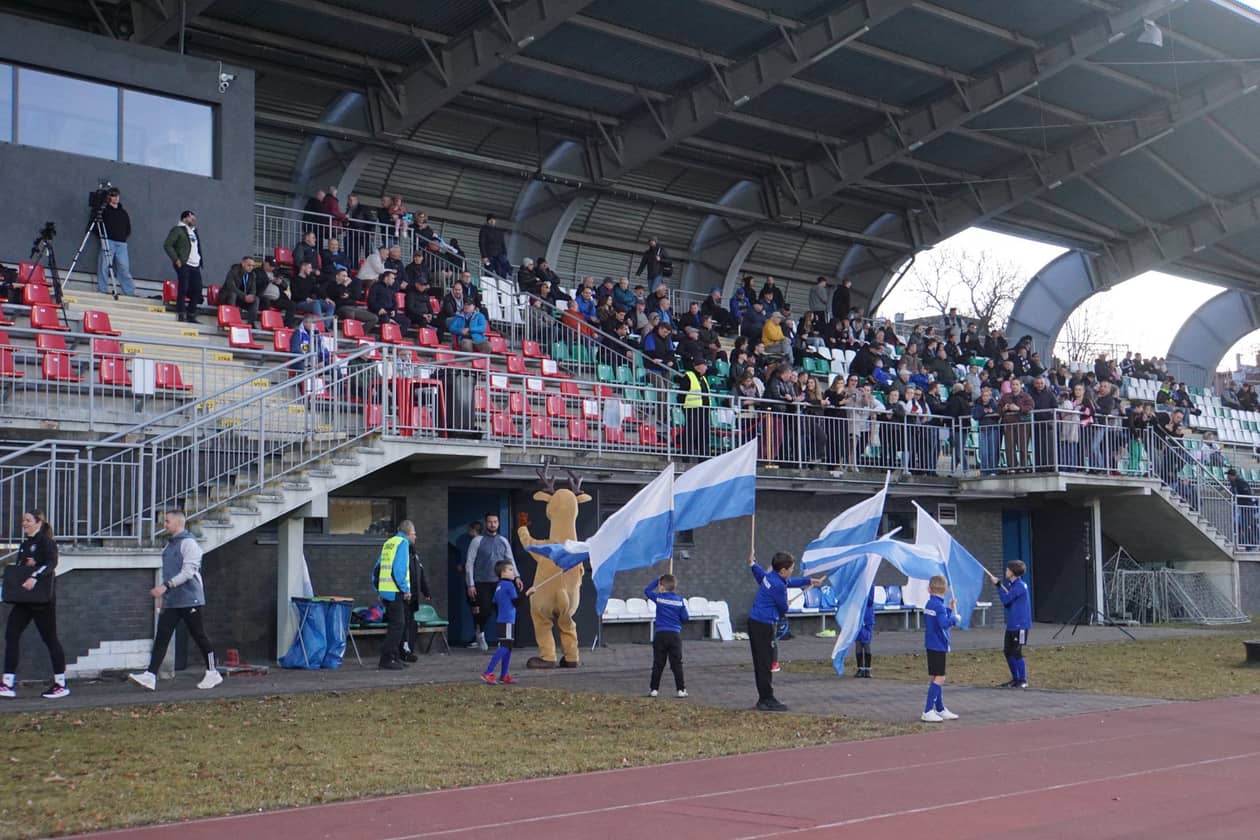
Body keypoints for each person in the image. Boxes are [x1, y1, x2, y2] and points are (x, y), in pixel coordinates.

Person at [128, 511, 222, 691]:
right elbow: (169, 572)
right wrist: (164, 596)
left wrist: (165, 587)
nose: (164, 524)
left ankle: (213, 672)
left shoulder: (189, 544)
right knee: (162, 637)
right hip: (173, 600)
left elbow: (188, 572)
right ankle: (150, 676)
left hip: (190, 599)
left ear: (179, 523)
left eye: (167, 521)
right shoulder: (169, 545)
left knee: (199, 635)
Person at [1, 509, 69, 700]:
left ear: (38, 523)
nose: (24, 523)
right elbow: (21, 568)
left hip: (41, 601)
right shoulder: (25, 544)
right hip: (24, 599)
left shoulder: (46, 542)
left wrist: (35, 574)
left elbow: (51, 563)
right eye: (23, 520)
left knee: (50, 639)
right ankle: (7, 683)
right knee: (11, 634)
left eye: (28, 520)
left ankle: (61, 684)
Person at [747, 551, 821, 712]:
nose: (792, 571)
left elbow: (759, 573)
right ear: (783, 570)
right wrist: (786, 604)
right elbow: (783, 609)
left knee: (762, 662)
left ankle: (766, 697)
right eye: (791, 568)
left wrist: (808, 581)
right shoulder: (778, 586)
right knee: (765, 663)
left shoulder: (770, 576)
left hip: (755, 622)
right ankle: (766, 699)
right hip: (763, 626)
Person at [464, 513, 520, 651]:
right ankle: (480, 633)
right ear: (486, 523)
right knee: (484, 611)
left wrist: (516, 577)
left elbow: (510, 560)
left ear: (498, 523)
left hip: (500, 582)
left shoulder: (503, 541)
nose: (492, 524)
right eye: (490, 522)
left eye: (495, 522)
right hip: (482, 581)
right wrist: (470, 584)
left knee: (503, 611)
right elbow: (469, 562)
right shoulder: (477, 540)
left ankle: (503, 639)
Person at [372, 519, 414, 670]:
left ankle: (395, 657)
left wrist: (378, 589)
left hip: (386, 591)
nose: (415, 536)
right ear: (408, 533)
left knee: (394, 626)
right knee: (398, 626)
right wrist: (406, 590)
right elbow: (399, 570)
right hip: (395, 591)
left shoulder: (389, 543)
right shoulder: (403, 543)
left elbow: (377, 568)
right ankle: (386, 659)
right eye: (414, 533)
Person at [921, 574, 959, 723]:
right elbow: (944, 624)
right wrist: (954, 619)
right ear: (945, 590)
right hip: (938, 644)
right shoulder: (938, 606)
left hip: (931, 643)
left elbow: (938, 620)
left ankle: (940, 708)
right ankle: (928, 710)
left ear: (929, 589)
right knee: (940, 677)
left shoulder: (930, 604)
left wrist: (948, 608)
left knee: (936, 676)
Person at [987, 560, 1031, 689]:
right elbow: (1008, 604)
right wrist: (1001, 587)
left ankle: (1023, 680)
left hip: (1020, 626)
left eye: (1007, 570)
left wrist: (998, 586)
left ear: (1013, 572)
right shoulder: (1012, 586)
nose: (1005, 571)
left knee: (1017, 652)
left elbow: (1006, 599)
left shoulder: (1020, 586)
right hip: (1012, 624)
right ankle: (1015, 679)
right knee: (1008, 651)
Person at [645, 573, 689, 698]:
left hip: (660, 634)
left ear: (662, 587)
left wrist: (657, 579)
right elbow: (686, 618)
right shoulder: (680, 600)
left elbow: (647, 591)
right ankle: (681, 690)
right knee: (677, 664)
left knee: (658, 663)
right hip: (674, 635)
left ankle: (654, 689)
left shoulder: (659, 598)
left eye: (659, 585)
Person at [479, 561, 519, 685]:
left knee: (508, 646)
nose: (513, 572)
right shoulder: (509, 585)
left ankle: (504, 675)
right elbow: (517, 602)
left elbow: (495, 603)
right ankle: (488, 672)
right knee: (505, 646)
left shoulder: (499, 586)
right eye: (510, 570)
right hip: (508, 620)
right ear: (503, 572)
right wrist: (529, 594)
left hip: (502, 620)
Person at [163, 210, 203, 323]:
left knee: (197, 289)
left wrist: (199, 260)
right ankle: (181, 312)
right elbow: (168, 244)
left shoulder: (194, 231)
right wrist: (176, 259)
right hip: (184, 263)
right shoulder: (178, 230)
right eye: (191, 217)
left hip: (195, 264)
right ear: (185, 218)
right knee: (183, 287)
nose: (193, 219)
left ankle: (191, 314)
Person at [97, 187, 136, 295]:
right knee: (104, 266)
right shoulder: (105, 211)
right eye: (113, 195)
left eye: (117, 195)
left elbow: (128, 228)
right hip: (108, 241)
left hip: (121, 243)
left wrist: (123, 236)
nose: (116, 198)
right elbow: (97, 225)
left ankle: (129, 292)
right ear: (109, 197)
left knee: (124, 267)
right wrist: (103, 237)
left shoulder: (123, 212)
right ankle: (102, 290)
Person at [400, 542, 433, 663]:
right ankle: (404, 651)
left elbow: (420, 576)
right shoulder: (403, 559)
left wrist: (426, 592)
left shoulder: (416, 559)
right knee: (404, 624)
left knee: (412, 624)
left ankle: (409, 650)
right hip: (404, 597)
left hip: (413, 598)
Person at [220, 255, 260, 325]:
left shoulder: (252, 275)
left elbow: (253, 289)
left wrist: (251, 296)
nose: (251, 267)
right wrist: (244, 296)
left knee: (256, 299)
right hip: (227, 297)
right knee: (233, 294)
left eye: (253, 266)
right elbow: (230, 286)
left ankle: (251, 323)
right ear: (243, 263)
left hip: (241, 299)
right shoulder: (234, 271)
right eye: (249, 265)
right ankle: (231, 319)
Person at [853, 585, 875, 678]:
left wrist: (862, 594)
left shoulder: (870, 585)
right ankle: (860, 669)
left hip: (867, 618)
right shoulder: (857, 584)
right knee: (858, 643)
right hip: (857, 617)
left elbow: (870, 601)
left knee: (866, 643)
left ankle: (867, 669)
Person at [478, 214, 511, 278]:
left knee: (502, 273)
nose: (492, 221)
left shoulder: (499, 231)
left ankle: (501, 284)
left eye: (493, 219)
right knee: (489, 272)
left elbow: (502, 243)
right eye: (490, 220)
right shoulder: (484, 230)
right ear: (488, 221)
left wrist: (504, 254)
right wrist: (484, 256)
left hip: (499, 255)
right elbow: (481, 243)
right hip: (489, 256)